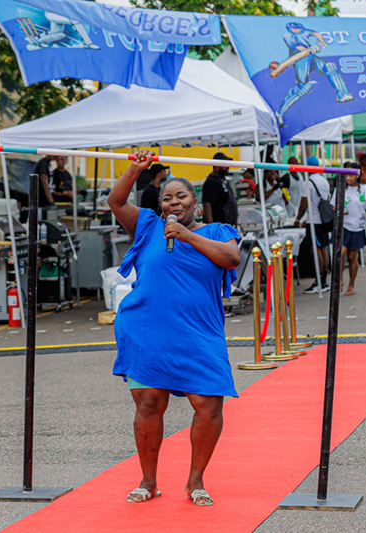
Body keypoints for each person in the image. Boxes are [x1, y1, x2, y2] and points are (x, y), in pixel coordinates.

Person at [108, 150, 241, 507]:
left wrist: (187, 235)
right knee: (149, 404)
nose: (173, 202)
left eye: (181, 196)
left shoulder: (218, 231)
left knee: (209, 405)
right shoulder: (149, 226)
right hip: (147, 330)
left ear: (195, 202)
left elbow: (230, 259)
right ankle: (148, 481)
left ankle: (195, 482)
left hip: (199, 333)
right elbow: (116, 201)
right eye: (167, 197)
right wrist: (136, 168)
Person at [274, 22, 354, 127]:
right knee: (302, 86)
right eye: (296, 29)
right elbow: (298, 47)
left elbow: (316, 34)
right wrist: (309, 49)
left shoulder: (304, 31)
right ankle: (280, 112)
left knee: (330, 67)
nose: (299, 30)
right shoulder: (288, 36)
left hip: (311, 56)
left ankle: (343, 94)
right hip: (300, 59)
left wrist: (320, 41)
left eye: (299, 28)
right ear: (291, 29)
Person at [331, 162, 366, 295]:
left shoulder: (364, 191)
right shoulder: (340, 189)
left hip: (358, 227)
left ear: (358, 175)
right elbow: (333, 206)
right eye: (346, 175)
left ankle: (351, 285)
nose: (348, 178)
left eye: (351, 175)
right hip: (343, 227)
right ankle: (339, 280)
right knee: (340, 253)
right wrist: (340, 210)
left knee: (352, 257)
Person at [293, 155, 331, 293]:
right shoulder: (324, 180)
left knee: (314, 250)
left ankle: (318, 281)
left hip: (313, 222)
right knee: (323, 249)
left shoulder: (307, 183)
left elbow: (303, 205)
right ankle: (324, 280)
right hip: (323, 220)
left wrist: (297, 220)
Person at [202, 152, 236, 225]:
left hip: (226, 225)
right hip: (217, 226)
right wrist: (211, 226)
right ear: (217, 165)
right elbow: (207, 204)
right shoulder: (211, 182)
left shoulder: (223, 180)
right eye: (225, 164)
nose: (228, 166)